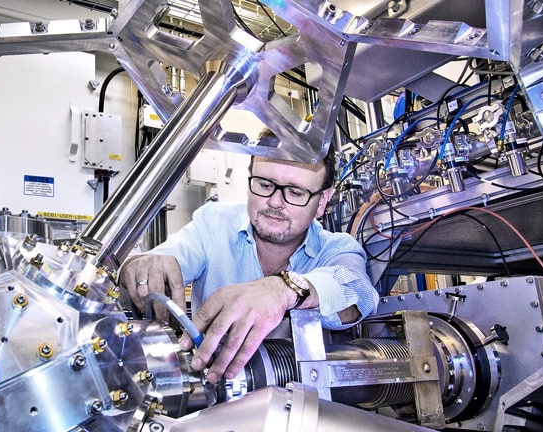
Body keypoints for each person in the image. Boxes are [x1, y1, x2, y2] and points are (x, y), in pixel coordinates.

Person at [119, 135, 378, 384]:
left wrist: (284, 289)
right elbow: (162, 260)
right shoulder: (213, 224)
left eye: (296, 192)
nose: (275, 202)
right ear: (249, 181)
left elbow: (358, 293)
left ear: (322, 201)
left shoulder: (336, 248)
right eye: (265, 185)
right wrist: (139, 267)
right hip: (214, 401)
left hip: (303, 410)